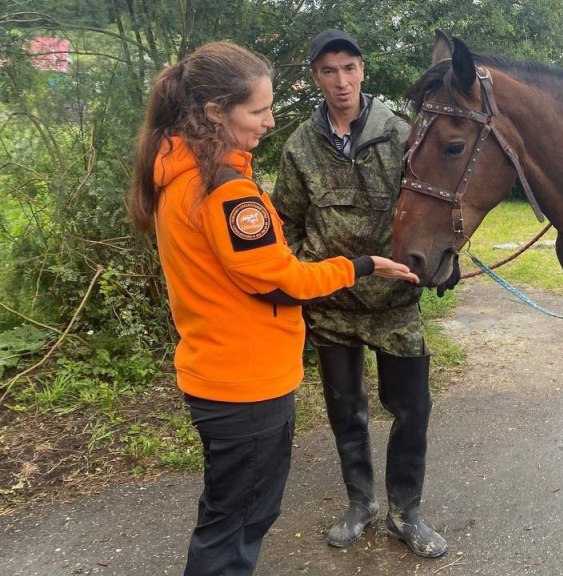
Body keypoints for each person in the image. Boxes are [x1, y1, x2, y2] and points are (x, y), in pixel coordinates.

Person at [126, 40, 418, 576]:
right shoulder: (226, 191)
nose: (269, 120)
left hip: (218, 373)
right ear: (216, 113)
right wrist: (360, 266)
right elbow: (281, 282)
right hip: (246, 383)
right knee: (236, 528)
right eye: (258, 110)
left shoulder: (182, 173)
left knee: (227, 519)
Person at [273, 29, 448, 558]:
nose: (341, 80)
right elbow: (287, 220)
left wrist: (442, 262)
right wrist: (309, 272)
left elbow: (437, 204)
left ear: (363, 71)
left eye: (349, 68)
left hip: (394, 306)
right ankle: (360, 503)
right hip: (331, 309)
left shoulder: (402, 133)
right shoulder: (300, 145)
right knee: (345, 410)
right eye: (329, 71)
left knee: (411, 409)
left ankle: (406, 512)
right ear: (316, 79)